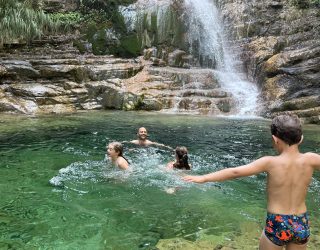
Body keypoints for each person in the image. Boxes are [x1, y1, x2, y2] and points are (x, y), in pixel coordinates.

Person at [183, 114, 320, 250]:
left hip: (278, 221)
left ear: (275, 139)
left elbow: (235, 172)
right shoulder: (311, 159)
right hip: (301, 222)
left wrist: (203, 178)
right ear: (301, 139)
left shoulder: (270, 162)